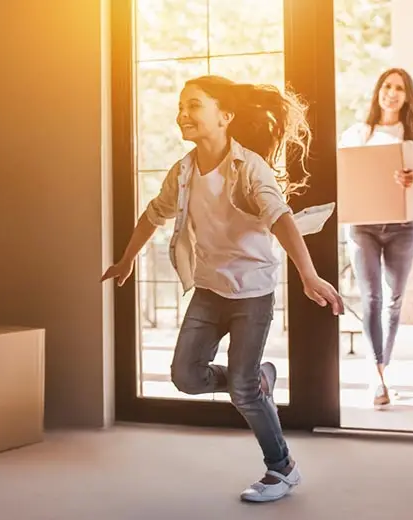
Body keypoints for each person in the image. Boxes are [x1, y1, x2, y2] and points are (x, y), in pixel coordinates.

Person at [100, 75, 344, 503]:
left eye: (194, 105)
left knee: (243, 392)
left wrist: (307, 274)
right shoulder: (182, 172)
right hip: (210, 290)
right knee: (185, 376)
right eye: (181, 105)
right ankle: (253, 380)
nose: (183, 113)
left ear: (225, 116)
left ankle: (281, 468)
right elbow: (153, 214)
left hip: (252, 292)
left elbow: (281, 218)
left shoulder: (249, 167)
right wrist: (126, 260)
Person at [337, 68, 413, 408]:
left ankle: (382, 370)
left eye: (400, 88)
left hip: (402, 227)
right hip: (363, 227)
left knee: (393, 301)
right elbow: (345, 173)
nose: (392, 93)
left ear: (407, 96)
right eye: (387, 86)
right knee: (372, 299)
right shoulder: (357, 133)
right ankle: (376, 376)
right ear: (378, 91)